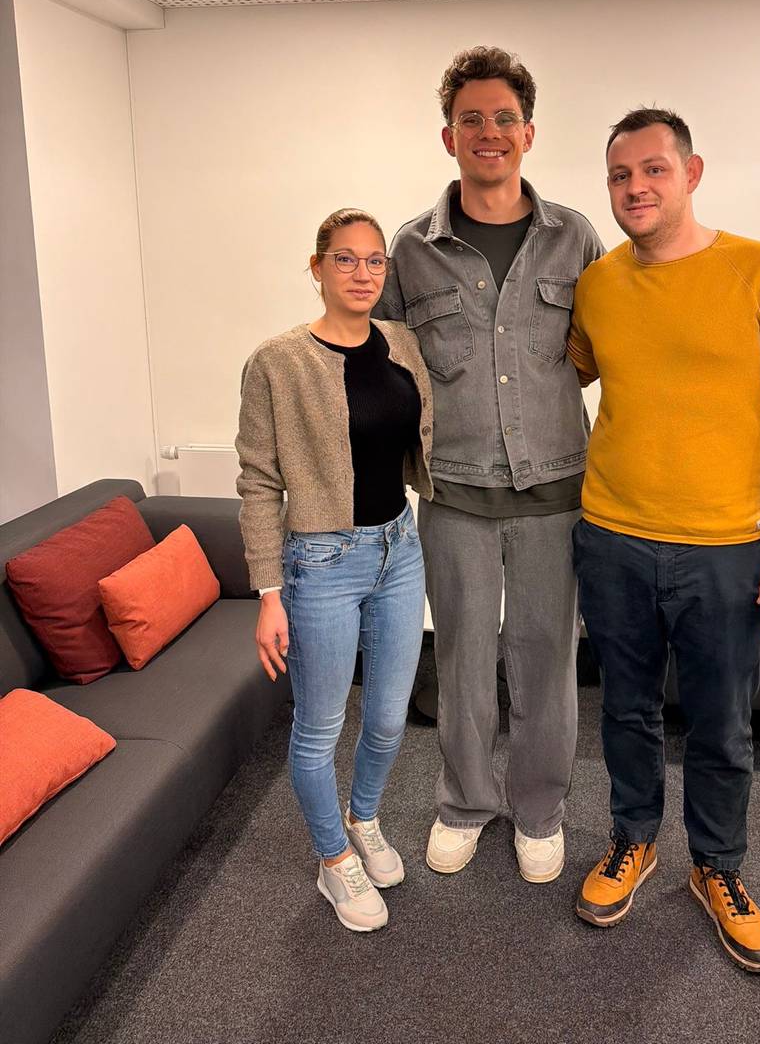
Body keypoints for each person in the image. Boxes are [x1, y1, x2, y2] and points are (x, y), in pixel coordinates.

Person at [568, 108, 760, 971]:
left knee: (721, 724)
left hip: (725, 549)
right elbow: (559, 374)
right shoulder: (598, 284)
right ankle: (633, 839)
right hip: (612, 538)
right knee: (625, 710)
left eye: (653, 169)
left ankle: (717, 867)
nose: (635, 187)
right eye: (619, 175)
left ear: (692, 173)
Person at [374, 46, 604, 884]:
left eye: (505, 117)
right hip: (456, 495)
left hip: (556, 492)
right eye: (470, 118)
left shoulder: (575, 237)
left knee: (546, 663)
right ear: (448, 136)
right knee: (463, 663)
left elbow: (606, 352)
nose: (489, 132)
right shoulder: (410, 249)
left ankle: (539, 811)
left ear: (528, 133)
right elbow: (387, 369)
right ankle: (465, 803)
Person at [236, 208, 434, 933]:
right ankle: (333, 859)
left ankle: (364, 818)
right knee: (320, 727)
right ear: (317, 268)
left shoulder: (403, 343)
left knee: (387, 717)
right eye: (345, 259)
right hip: (321, 561)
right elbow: (259, 480)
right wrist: (268, 592)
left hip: (399, 548)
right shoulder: (277, 361)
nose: (362, 273)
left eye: (375, 260)